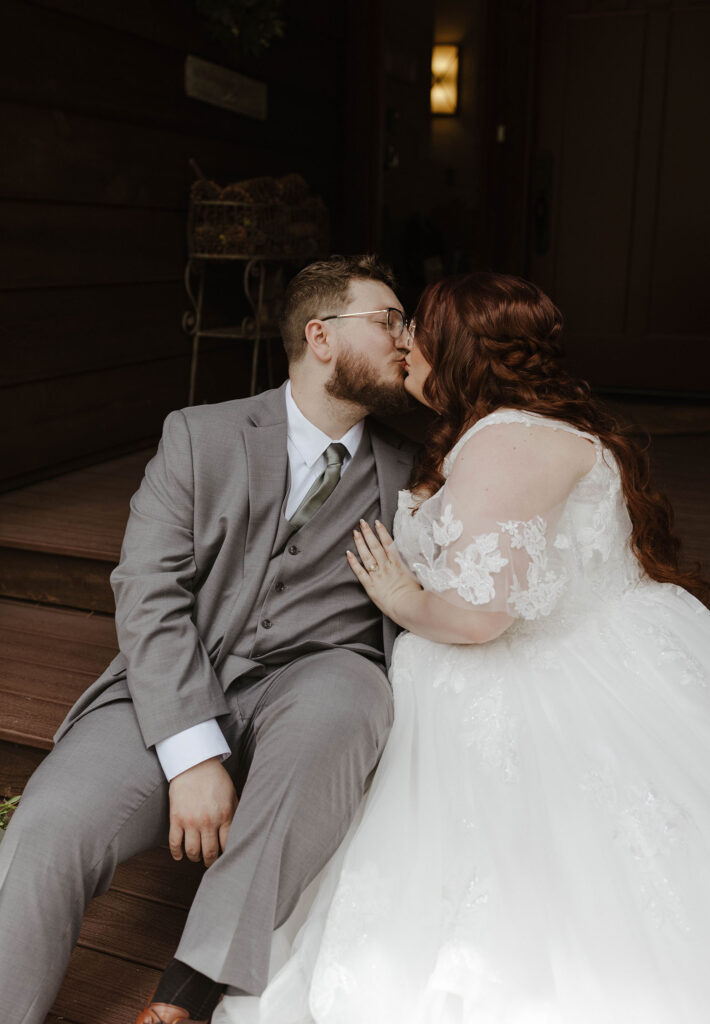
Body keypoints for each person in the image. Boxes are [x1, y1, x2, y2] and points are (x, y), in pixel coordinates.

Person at [214, 271, 710, 1024]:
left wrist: (403, 598)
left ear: (461, 348)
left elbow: (481, 619)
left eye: (419, 327)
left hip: (541, 674)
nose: (405, 341)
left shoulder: (510, 442)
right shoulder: (513, 427)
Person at [0, 254, 420, 1024]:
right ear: (320, 336)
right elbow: (147, 590)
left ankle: (186, 995)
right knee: (49, 827)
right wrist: (192, 750)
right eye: (390, 320)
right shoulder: (201, 434)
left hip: (308, 690)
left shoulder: (416, 468)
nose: (407, 338)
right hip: (170, 686)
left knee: (354, 694)